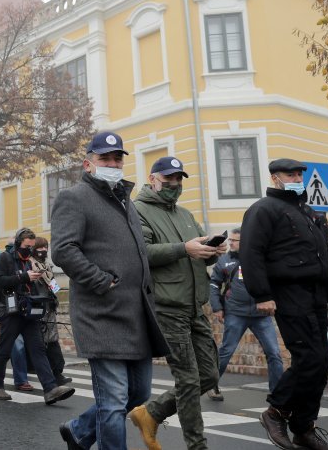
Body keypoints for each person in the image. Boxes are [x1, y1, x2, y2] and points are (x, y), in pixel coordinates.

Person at [51, 131, 168, 450]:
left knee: (137, 394)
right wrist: (102, 280)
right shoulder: (74, 197)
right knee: (114, 401)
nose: (113, 163)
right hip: (101, 315)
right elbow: (63, 250)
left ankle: (78, 431)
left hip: (135, 314)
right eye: (106, 158)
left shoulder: (124, 199)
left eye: (118, 158)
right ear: (88, 164)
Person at [241, 158, 328, 450]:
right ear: (275, 178)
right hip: (288, 293)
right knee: (309, 359)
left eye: (299, 174)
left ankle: (304, 428)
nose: (296, 178)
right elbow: (251, 254)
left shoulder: (308, 212)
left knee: (320, 365)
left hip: (315, 293)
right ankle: (275, 412)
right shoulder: (263, 209)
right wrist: (262, 294)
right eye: (290, 174)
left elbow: (323, 259)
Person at [130, 155, 224, 450]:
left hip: (196, 306)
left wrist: (213, 248)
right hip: (168, 307)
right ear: (153, 179)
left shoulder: (184, 214)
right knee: (188, 379)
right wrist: (185, 248)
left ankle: (151, 412)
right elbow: (142, 252)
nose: (174, 183)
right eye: (168, 178)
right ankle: (197, 446)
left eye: (178, 178)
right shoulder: (137, 210)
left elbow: (196, 252)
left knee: (209, 375)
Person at [0, 226, 75, 405]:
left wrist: (42, 295)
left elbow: (44, 285)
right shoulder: (5, 258)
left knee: (38, 349)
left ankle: (50, 389)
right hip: (10, 312)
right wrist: (24, 277)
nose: (30, 250)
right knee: (5, 350)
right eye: (28, 246)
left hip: (29, 312)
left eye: (33, 247)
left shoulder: (29, 261)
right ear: (19, 243)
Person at [208, 228, 283, 401]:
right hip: (235, 313)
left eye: (235, 240)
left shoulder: (260, 259)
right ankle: (212, 385)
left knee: (274, 353)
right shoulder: (224, 261)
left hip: (261, 314)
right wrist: (217, 308)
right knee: (226, 351)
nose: (231, 243)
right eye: (231, 240)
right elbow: (214, 285)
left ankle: (278, 392)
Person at [30, 237, 70, 386]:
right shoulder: (31, 264)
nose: (43, 250)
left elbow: (55, 287)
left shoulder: (47, 265)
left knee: (52, 340)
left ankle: (57, 372)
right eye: (40, 248)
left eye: (45, 247)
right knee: (42, 342)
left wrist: (54, 295)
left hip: (50, 306)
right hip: (38, 307)